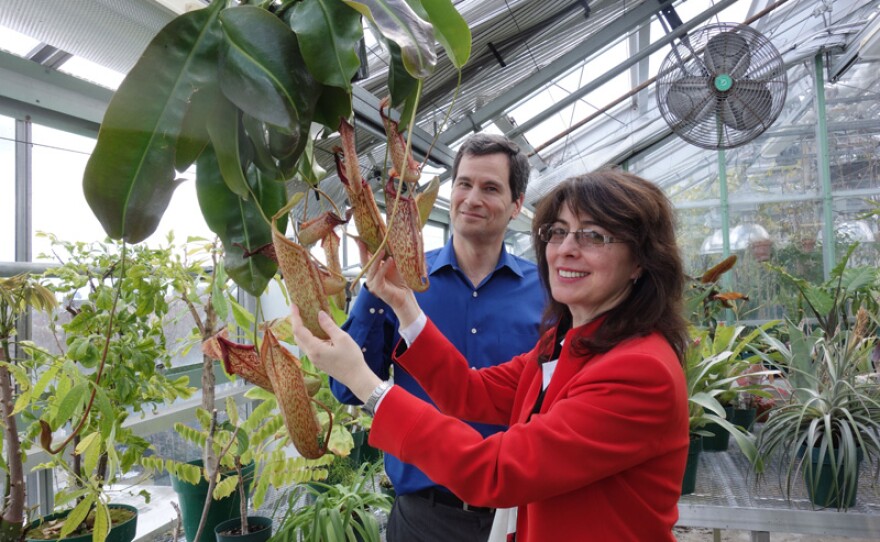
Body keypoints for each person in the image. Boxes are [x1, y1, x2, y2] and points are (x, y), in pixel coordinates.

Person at [294, 170, 691, 542]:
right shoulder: (566, 342)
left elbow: (496, 470)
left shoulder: (639, 370)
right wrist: (405, 307)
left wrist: (366, 383)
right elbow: (472, 391)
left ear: (640, 260)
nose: (567, 250)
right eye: (559, 232)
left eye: (594, 236)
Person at [330, 133, 545, 541]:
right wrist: (373, 295)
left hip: (518, 516)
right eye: (464, 184)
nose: (472, 198)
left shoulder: (546, 292)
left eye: (490, 188)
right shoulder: (403, 282)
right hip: (424, 515)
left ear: (517, 205)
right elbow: (346, 388)